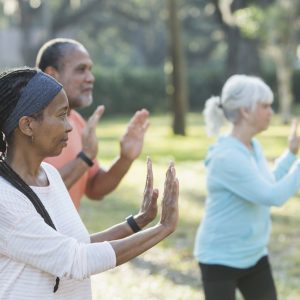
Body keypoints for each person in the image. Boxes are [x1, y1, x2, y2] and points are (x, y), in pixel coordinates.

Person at [0, 67, 179, 300]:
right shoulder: (5, 198)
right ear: (27, 125)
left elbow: (79, 245)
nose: (69, 126)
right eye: (61, 115)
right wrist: (162, 229)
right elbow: (75, 261)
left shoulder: (50, 175)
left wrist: (138, 222)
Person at [194, 74, 300, 300]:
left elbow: (267, 183)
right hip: (219, 259)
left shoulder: (252, 146)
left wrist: (291, 154)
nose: (271, 111)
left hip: (254, 255)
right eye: (265, 106)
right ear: (245, 111)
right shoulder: (226, 157)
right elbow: (273, 196)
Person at [35, 38, 149, 209]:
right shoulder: (28, 126)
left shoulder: (77, 121)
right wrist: (86, 156)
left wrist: (125, 158)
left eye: (90, 69)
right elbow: (35, 195)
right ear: (52, 75)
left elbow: (95, 188)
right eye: (81, 70)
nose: (90, 78)